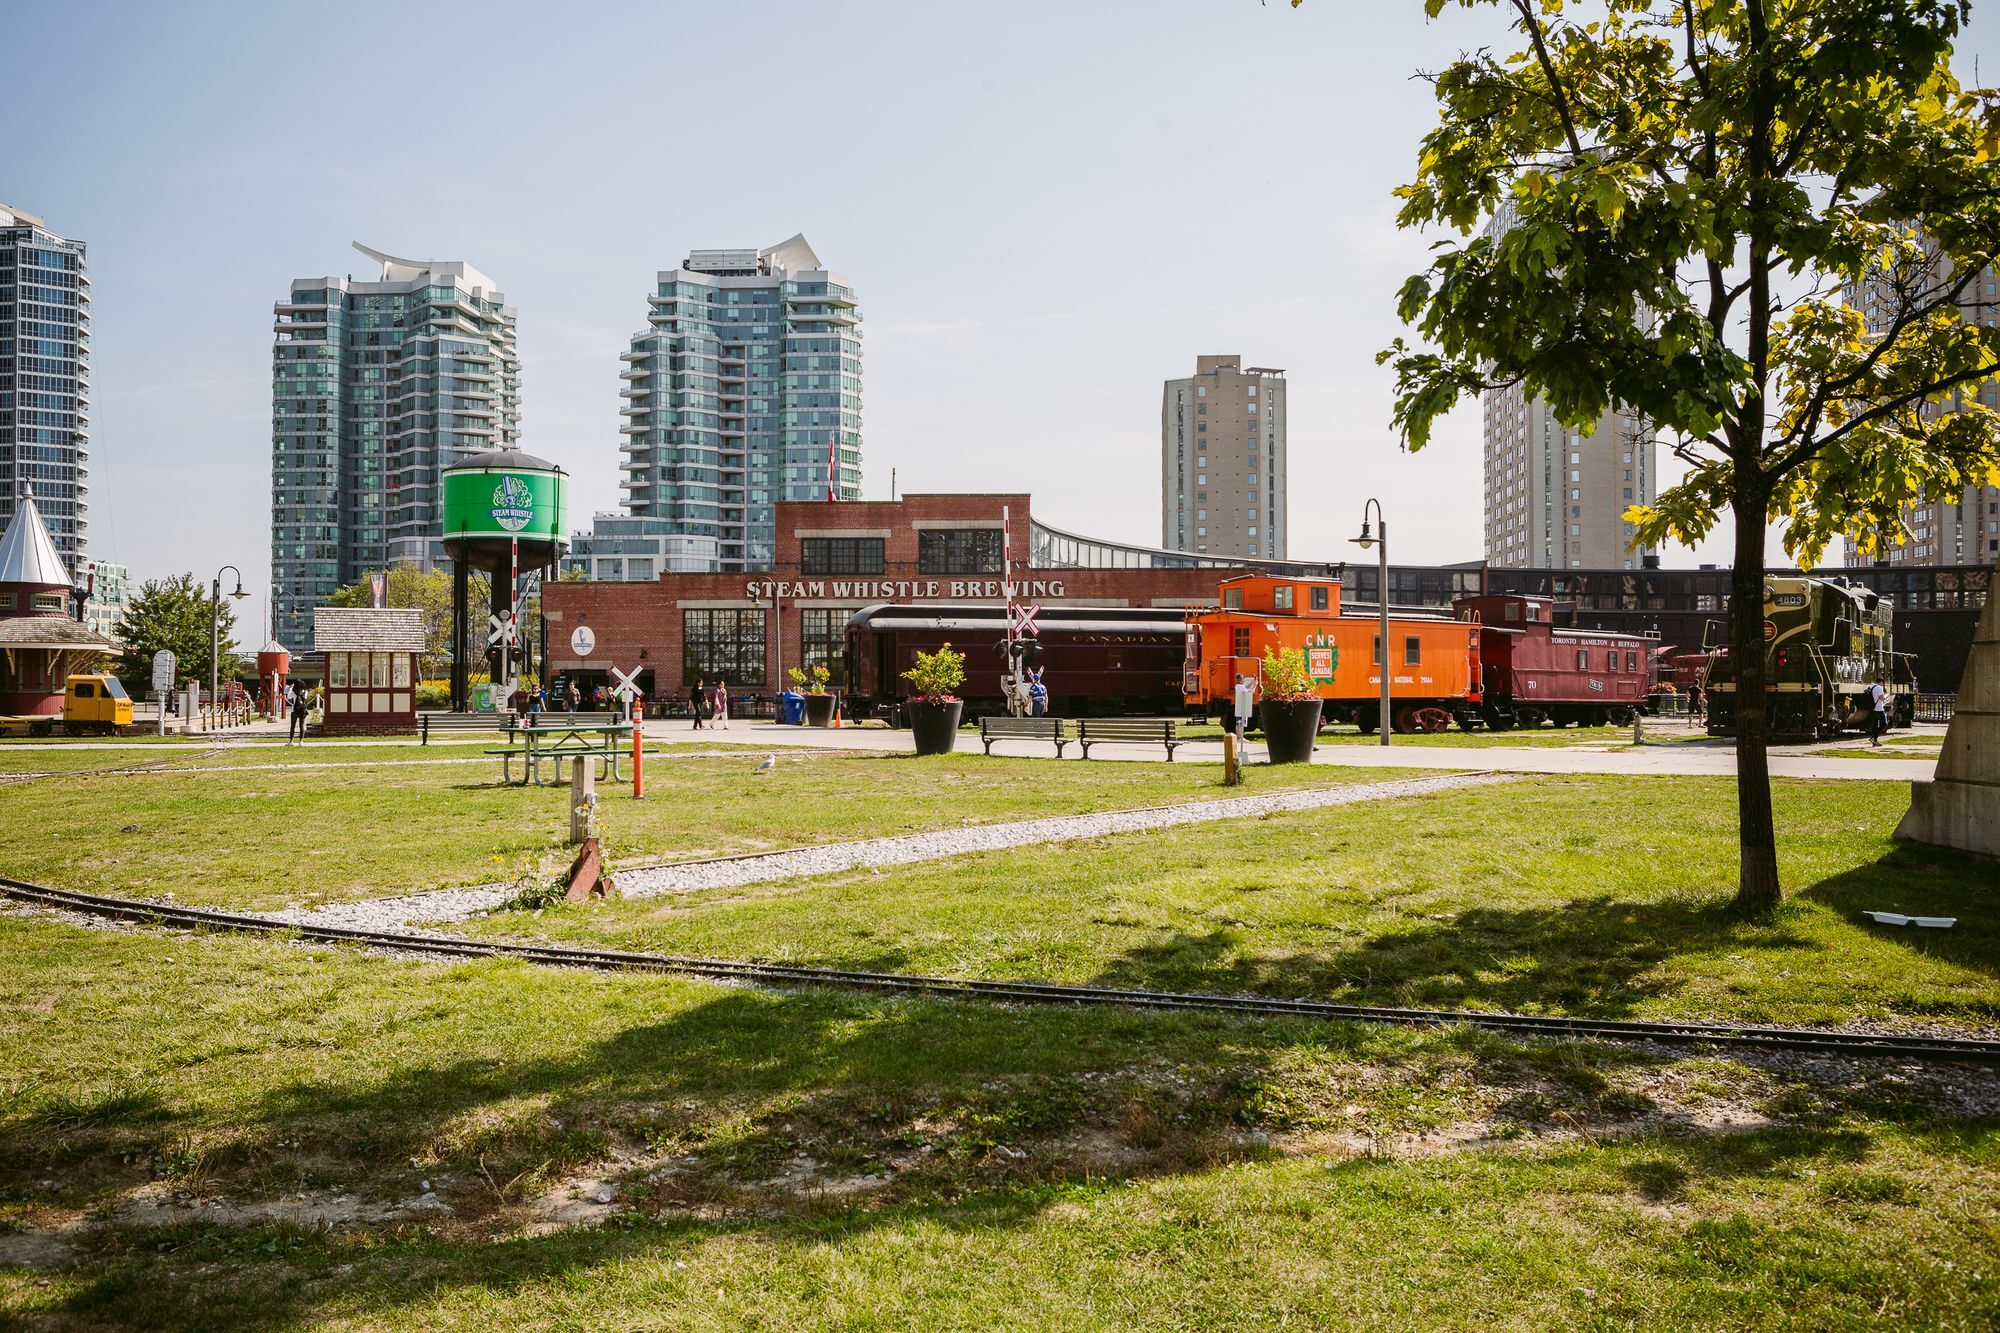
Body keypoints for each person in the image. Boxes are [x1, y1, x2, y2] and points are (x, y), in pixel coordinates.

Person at [1232, 672, 1258, 739]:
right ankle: (1240, 737)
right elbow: (1249, 691)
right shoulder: (1239, 686)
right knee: (1239, 723)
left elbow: (1246, 687)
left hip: (1241, 706)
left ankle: (1240, 737)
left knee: (1240, 722)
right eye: (1243, 679)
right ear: (1240, 679)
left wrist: (1253, 682)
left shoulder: (1240, 686)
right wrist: (1255, 685)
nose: (1244, 680)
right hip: (1241, 707)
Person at [1868, 675, 1889, 746]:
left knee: (1875, 725)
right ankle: (1874, 737)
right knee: (1884, 723)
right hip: (1879, 708)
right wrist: (1887, 695)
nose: (1883, 685)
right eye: (1883, 683)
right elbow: (1882, 698)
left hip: (1872, 708)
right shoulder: (1879, 687)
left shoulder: (1871, 686)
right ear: (1881, 682)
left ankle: (1875, 741)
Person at [288, 679, 309, 745]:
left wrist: (290, 688)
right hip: (302, 710)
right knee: (302, 726)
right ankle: (301, 741)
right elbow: (305, 699)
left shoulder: (293, 692)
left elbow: (288, 697)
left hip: (294, 711)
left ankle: (291, 741)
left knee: (292, 726)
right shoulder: (305, 692)